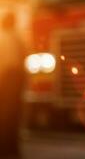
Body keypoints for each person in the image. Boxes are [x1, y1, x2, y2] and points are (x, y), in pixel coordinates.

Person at [0, 11, 26, 159]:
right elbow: (24, 60)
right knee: (14, 115)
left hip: (6, 79)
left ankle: (4, 149)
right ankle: (13, 149)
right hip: (17, 80)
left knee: (4, 115)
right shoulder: (18, 38)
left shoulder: (2, 38)